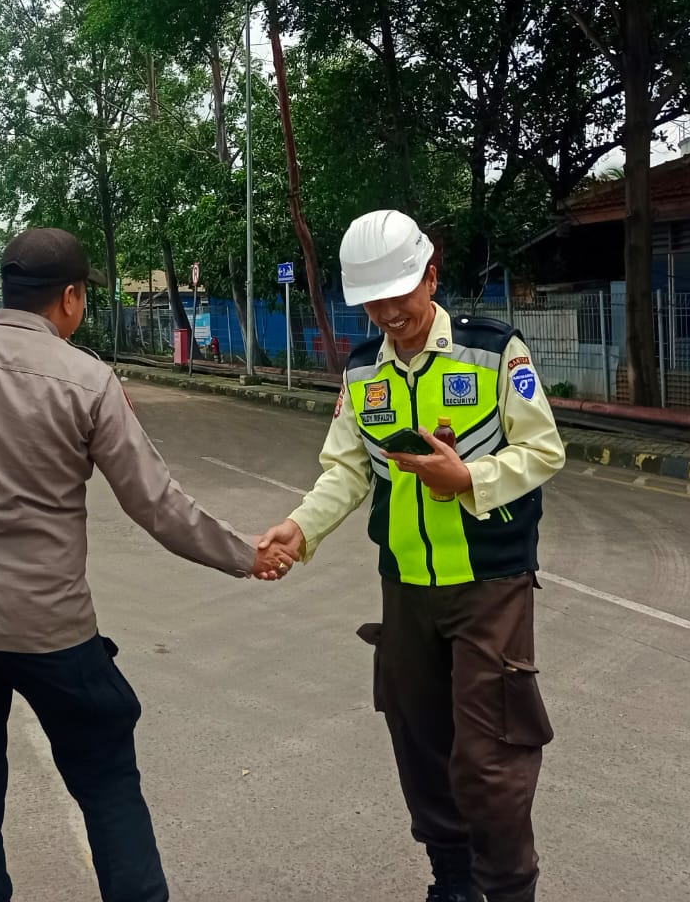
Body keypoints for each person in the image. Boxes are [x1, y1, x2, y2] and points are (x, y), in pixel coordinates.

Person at [0, 227, 291, 902]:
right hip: (51, 629)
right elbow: (154, 502)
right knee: (107, 785)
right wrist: (246, 554)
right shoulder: (87, 378)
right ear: (70, 297)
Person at [259, 210, 565, 902]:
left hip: (489, 583)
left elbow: (542, 450)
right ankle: (451, 883)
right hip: (405, 586)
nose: (388, 313)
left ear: (430, 275)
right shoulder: (363, 369)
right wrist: (298, 530)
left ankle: (507, 889)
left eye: (398, 294)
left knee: (489, 757)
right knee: (419, 743)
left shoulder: (493, 351)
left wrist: (470, 480)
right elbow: (347, 470)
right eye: (372, 301)